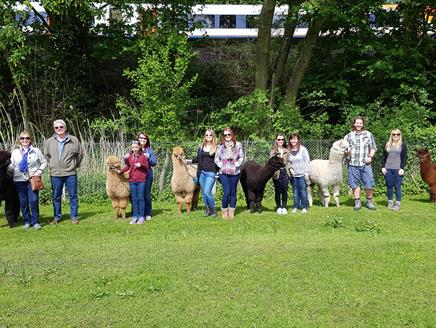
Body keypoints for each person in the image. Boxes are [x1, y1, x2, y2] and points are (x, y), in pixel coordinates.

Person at [44, 119, 83, 224]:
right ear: (54, 129)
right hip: (55, 174)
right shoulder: (49, 142)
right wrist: (53, 165)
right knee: (56, 196)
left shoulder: (74, 140)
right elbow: (47, 156)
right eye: (56, 127)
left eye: (61, 127)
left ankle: (74, 216)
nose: (59, 129)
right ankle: (57, 216)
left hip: (70, 173)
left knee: (73, 196)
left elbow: (80, 154)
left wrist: (75, 165)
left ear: (65, 128)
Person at [9, 131, 47, 229]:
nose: (25, 140)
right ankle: (27, 221)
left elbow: (43, 162)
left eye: (27, 138)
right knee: (23, 201)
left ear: (30, 140)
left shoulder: (36, 151)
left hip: (33, 179)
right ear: (19, 140)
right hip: (19, 180)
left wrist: (39, 172)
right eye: (22, 138)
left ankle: (35, 222)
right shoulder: (15, 152)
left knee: (33, 200)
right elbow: (12, 164)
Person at [344, 116, 377, 210]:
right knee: (354, 184)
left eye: (360, 123)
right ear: (354, 124)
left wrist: (370, 157)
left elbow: (373, 148)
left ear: (363, 124)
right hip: (353, 164)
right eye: (357, 123)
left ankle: (369, 202)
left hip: (365, 164)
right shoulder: (348, 136)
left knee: (369, 183)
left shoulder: (368, 134)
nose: (358, 124)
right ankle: (357, 202)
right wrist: (347, 153)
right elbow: (344, 150)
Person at [126, 132, 157, 221]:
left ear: (147, 140)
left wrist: (149, 158)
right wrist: (125, 158)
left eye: (145, 138)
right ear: (138, 139)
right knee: (135, 196)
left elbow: (154, 162)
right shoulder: (134, 149)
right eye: (141, 138)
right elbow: (128, 163)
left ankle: (147, 213)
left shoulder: (149, 150)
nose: (142, 139)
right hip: (135, 176)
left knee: (146, 195)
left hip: (147, 175)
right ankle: (136, 214)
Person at [214, 128, 244, 219]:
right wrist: (221, 165)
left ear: (232, 135)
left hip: (235, 172)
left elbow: (241, 157)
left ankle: (231, 211)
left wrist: (236, 164)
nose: (227, 136)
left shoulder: (238, 145)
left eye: (229, 134)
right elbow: (216, 159)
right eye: (225, 135)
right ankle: (224, 210)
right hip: (223, 173)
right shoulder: (220, 146)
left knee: (233, 192)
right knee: (226, 192)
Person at [190, 129, 219, 218]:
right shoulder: (201, 146)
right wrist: (190, 160)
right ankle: (207, 209)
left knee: (207, 192)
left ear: (213, 136)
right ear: (205, 136)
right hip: (201, 172)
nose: (208, 137)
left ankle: (213, 210)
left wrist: (218, 171)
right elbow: (198, 158)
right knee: (204, 192)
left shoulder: (216, 147)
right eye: (207, 135)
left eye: (210, 135)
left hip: (211, 172)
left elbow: (219, 161)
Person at [118, 141, 149, 224]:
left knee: (141, 198)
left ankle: (141, 217)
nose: (134, 149)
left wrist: (141, 164)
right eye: (132, 147)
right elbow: (128, 166)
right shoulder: (130, 156)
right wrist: (120, 171)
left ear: (139, 147)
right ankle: (135, 216)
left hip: (141, 180)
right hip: (132, 180)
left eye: (135, 147)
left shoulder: (143, 156)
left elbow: (147, 167)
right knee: (134, 199)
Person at [381, 129, 407, 211]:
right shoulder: (387, 144)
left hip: (398, 169)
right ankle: (390, 202)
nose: (396, 136)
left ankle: (397, 204)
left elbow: (404, 158)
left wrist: (402, 168)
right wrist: (383, 167)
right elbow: (383, 157)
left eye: (398, 134)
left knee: (397, 187)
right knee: (389, 186)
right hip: (388, 169)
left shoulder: (402, 145)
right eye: (394, 134)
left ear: (400, 135)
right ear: (391, 135)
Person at [288, 133, 311, 213]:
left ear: (298, 140)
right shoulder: (289, 150)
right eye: (291, 139)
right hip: (293, 175)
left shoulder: (303, 149)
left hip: (302, 174)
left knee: (303, 190)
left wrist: (307, 172)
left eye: (295, 139)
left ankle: (304, 207)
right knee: (295, 191)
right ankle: (296, 206)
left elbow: (307, 161)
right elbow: (287, 162)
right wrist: (290, 169)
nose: (293, 141)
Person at [270, 133, 291, 214]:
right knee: (278, 191)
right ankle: (278, 207)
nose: (280, 141)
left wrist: (288, 169)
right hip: (277, 173)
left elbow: (289, 162)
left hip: (284, 172)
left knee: (284, 190)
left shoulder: (287, 151)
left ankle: (284, 207)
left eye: (282, 139)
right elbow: (271, 163)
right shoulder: (273, 151)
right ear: (276, 140)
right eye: (279, 139)